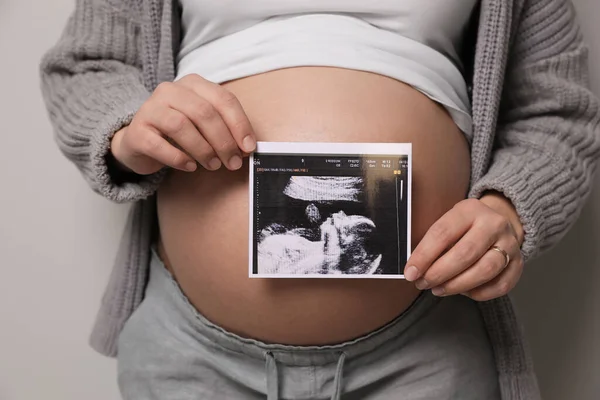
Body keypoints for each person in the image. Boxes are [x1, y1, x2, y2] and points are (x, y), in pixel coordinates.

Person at [39, 0, 600, 399]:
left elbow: (558, 115)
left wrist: (509, 210)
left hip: (425, 354)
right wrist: (124, 130)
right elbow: (86, 67)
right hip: (195, 358)